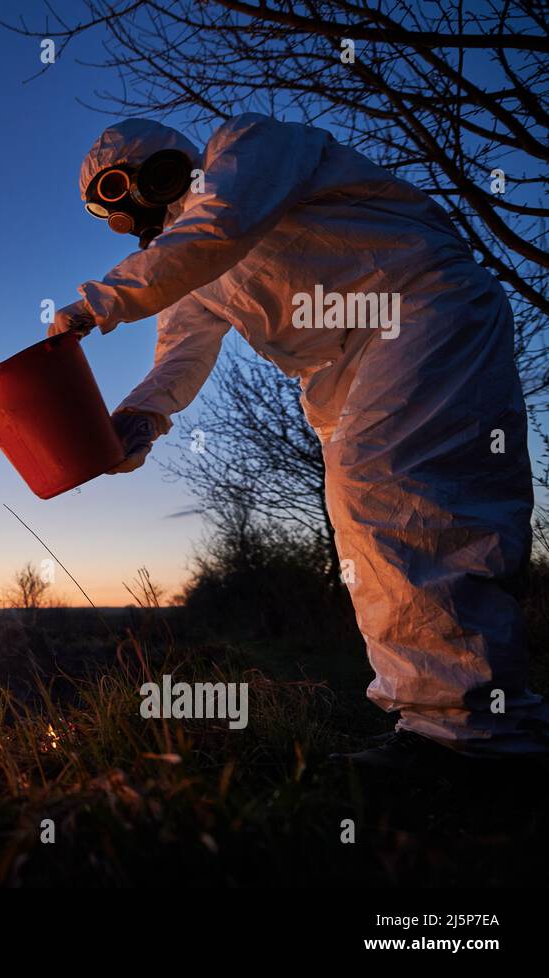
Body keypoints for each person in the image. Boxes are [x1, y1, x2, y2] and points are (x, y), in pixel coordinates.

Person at [49, 115, 548, 769]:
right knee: (366, 528)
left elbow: (221, 224)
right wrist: (135, 425)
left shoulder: (248, 147)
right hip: (338, 370)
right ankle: (443, 723)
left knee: (400, 494)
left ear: (174, 159)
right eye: (118, 193)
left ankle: (480, 735)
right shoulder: (183, 263)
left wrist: (95, 305)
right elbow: (179, 355)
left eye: (143, 175)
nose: (142, 195)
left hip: (418, 303)